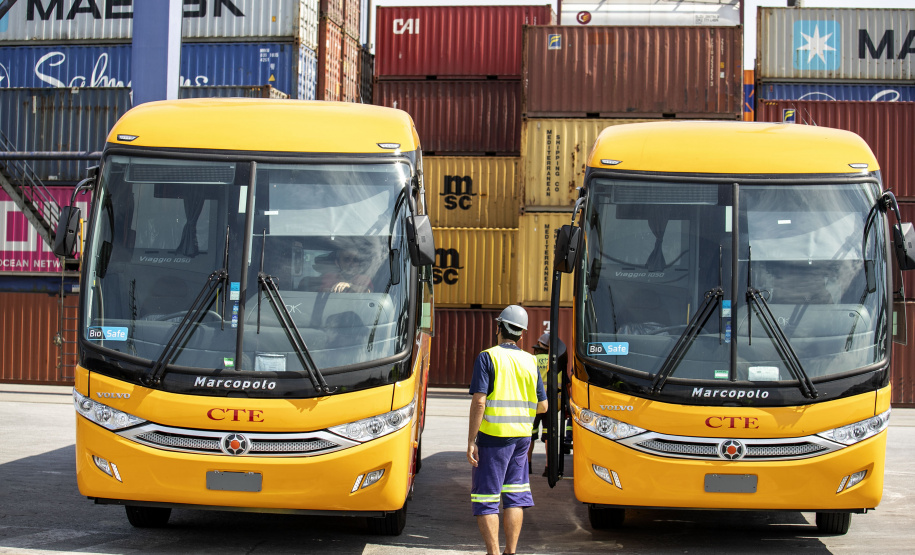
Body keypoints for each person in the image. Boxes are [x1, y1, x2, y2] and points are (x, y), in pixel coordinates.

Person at [467, 305, 548, 555]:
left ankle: (493, 553)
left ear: (498, 327)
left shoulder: (487, 357)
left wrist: (471, 440)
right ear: (522, 334)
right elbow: (543, 406)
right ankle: (510, 552)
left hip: (493, 438)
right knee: (515, 495)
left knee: (486, 498)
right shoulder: (530, 360)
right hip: (522, 438)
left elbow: (479, 401)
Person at [527, 332, 569, 476]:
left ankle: (527, 466)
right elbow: (566, 385)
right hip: (552, 405)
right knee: (549, 437)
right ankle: (548, 468)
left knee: (530, 436)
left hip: (534, 405)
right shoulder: (556, 362)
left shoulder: (531, 360)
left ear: (539, 346)